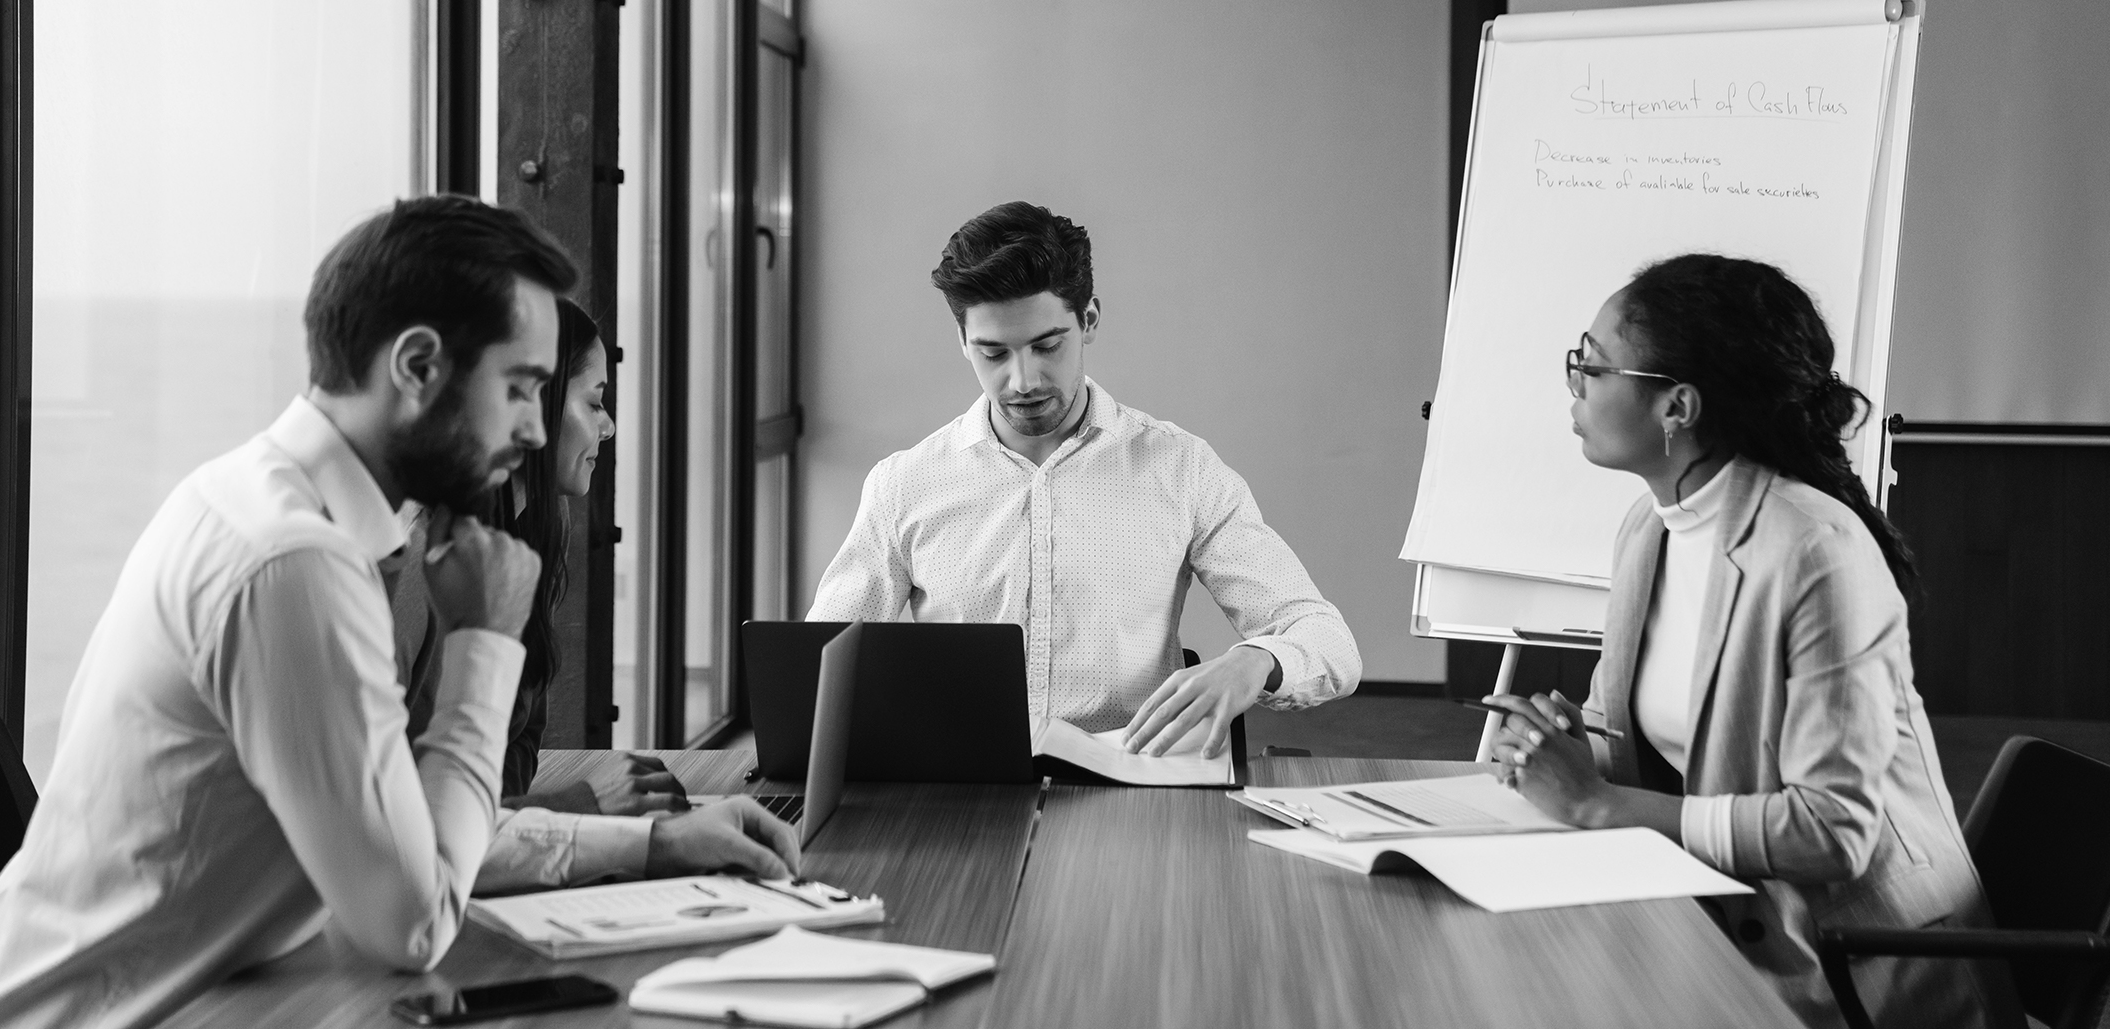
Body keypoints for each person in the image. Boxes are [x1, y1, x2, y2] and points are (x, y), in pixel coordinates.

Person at [0, 196, 797, 1029]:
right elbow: (412, 921)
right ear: (417, 367)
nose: (535, 430)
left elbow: (398, 836)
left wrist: (657, 846)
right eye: (523, 387)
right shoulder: (293, 561)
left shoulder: (270, 506)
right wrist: (484, 642)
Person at [1485, 253, 2018, 1029]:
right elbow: (1626, 734)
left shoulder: (1814, 552)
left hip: (1874, 974)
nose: (1575, 386)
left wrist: (1599, 805)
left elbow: (1832, 829)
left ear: (1678, 406)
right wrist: (1561, 748)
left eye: (1591, 367)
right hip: (1740, 935)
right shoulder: (1649, 525)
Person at [808, 201, 1360, 759]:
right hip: (963, 787)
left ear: (1089, 320)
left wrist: (1256, 660)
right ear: (962, 340)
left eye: (1047, 346)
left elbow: (1326, 641)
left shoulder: (1181, 469)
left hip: (1130, 786)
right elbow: (817, 665)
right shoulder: (905, 484)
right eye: (993, 353)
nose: (1022, 380)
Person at [387, 296, 693, 893]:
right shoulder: (417, 569)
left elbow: (508, 773)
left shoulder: (527, 545)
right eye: (595, 401)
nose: (607, 426)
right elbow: (390, 831)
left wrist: (579, 819)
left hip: (485, 878)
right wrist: (583, 806)